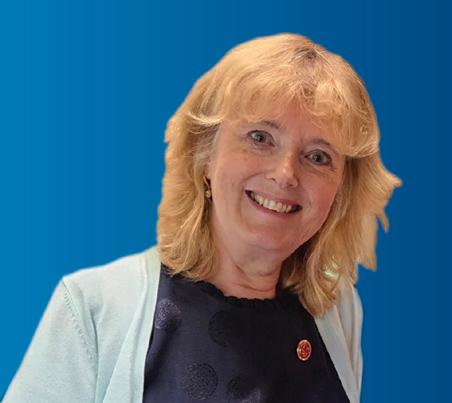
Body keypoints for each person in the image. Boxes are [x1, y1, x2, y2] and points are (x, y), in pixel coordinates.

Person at [3, 33, 401, 403]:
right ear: (205, 155)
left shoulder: (337, 311)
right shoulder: (94, 308)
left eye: (317, 156)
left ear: (340, 191)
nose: (285, 174)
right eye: (260, 138)